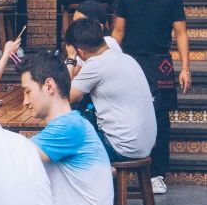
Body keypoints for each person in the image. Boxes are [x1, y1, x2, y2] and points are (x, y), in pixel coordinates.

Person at [21, 53, 114, 205]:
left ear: (49, 86)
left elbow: (11, 157)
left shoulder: (69, 127)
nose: (24, 101)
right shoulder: (75, 123)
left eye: (27, 91)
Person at [112, 0, 190, 193]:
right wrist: (111, 61)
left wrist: (185, 68)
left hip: (160, 63)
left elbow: (181, 34)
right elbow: (118, 32)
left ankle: (157, 173)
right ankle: (130, 165)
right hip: (131, 61)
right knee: (128, 114)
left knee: (160, 118)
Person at [64, 17, 156, 162]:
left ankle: (101, 177)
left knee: (67, 135)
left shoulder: (96, 65)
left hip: (121, 148)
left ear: (80, 52)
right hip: (144, 145)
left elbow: (64, 99)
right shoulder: (127, 59)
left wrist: (70, 59)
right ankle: (106, 173)